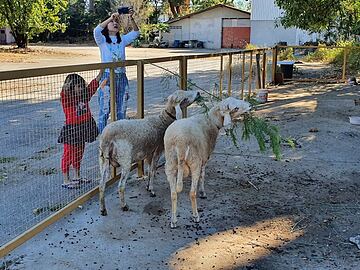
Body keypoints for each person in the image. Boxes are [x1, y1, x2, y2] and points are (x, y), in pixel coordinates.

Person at [93, 7, 140, 132]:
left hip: (121, 77)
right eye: (112, 22)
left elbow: (136, 32)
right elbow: (96, 30)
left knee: (121, 108)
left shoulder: (122, 40)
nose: (115, 23)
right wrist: (111, 17)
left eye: (117, 22)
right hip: (107, 77)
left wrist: (131, 18)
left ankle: (120, 134)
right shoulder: (102, 41)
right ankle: (103, 137)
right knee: (105, 109)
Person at [58, 72, 103, 188]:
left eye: (82, 85)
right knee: (68, 153)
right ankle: (66, 179)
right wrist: (68, 85)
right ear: (71, 87)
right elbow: (64, 91)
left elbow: (93, 85)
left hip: (83, 127)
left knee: (79, 153)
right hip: (72, 129)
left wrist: (101, 72)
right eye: (78, 86)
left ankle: (77, 176)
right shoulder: (67, 99)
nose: (82, 88)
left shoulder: (84, 95)